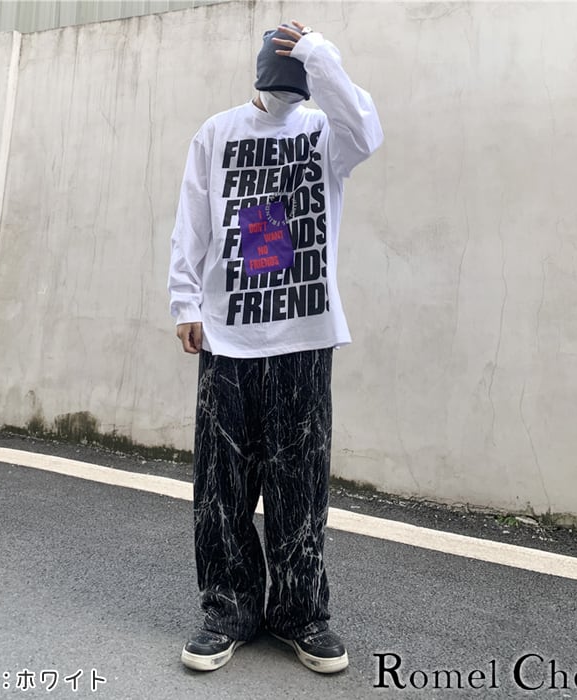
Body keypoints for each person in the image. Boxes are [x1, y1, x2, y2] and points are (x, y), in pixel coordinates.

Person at [168, 19, 383, 674]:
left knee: (300, 485)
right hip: (228, 337)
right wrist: (184, 301)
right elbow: (193, 217)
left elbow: (367, 131)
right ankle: (228, 610)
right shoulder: (217, 132)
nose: (290, 95)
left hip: (304, 337)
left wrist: (318, 56)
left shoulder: (324, 133)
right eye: (288, 77)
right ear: (258, 78)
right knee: (222, 488)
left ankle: (300, 614)